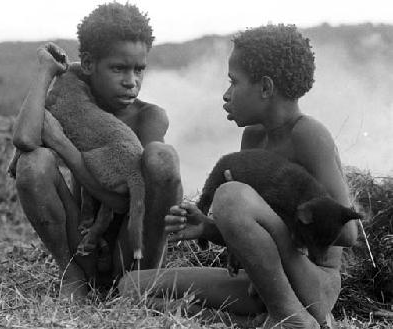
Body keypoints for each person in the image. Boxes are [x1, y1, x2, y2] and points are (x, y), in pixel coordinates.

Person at [118, 24, 358, 328]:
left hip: (313, 283)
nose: (227, 94)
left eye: (234, 82)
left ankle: (294, 319)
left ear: (266, 88)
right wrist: (207, 229)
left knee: (230, 195)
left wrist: (290, 221)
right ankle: (262, 319)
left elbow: (348, 235)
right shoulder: (253, 139)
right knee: (131, 287)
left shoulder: (309, 136)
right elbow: (251, 230)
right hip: (264, 281)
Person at [11, 3, 182, 296]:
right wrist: (45, 73)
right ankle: (72, 274)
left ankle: (148, 279)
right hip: (83, 242)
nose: (131, 82)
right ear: (88, 64)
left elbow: (125, 202)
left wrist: (63, 145)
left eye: (139, 69)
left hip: (131, 249)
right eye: (118, 68)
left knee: (162, 157)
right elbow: (25, 140)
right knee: (32, 164)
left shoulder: (148, 117)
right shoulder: (73, 103)